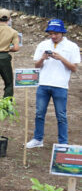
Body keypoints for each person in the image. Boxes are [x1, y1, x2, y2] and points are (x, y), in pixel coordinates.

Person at [26, 19, 80, 148]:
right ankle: (37, 139)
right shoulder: (43, 44)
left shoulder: (72, 46)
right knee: (39, 113)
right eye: (51, 33)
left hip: (61, 85)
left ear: (62, 33)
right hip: (43, 83)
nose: (53, 36)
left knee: (61, 115)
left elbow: (74, 68)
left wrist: (61, 58)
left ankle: (63, 142)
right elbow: (37, 66)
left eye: (56, 33)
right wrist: (42, 58)